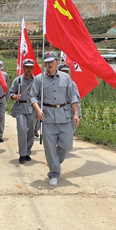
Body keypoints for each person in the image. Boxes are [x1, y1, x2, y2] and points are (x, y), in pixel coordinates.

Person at [30, 51, 79, 186]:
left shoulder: (65, 78)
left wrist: (75, 113)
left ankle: (56, 163)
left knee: (67, 145)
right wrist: (38, 109)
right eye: (47, 62)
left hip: (64, 116)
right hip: (48, 117)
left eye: (52, 61)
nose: (49, 64)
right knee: (50, 148)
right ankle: (54, 173)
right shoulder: (39, 79)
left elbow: (73, 96)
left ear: (57, 62)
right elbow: (33, 96)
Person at [9, 58, 38, 163]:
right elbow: (10, 92)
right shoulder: (18, 80)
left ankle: (27, 152)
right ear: (23, 68)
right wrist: (14, 96)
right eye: (27, 67)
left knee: (30, 132)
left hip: (33, 108)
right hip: (21, 108)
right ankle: (22, 153)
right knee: (22, 130)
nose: (29, 69)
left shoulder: (37, 80)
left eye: (31, 67)